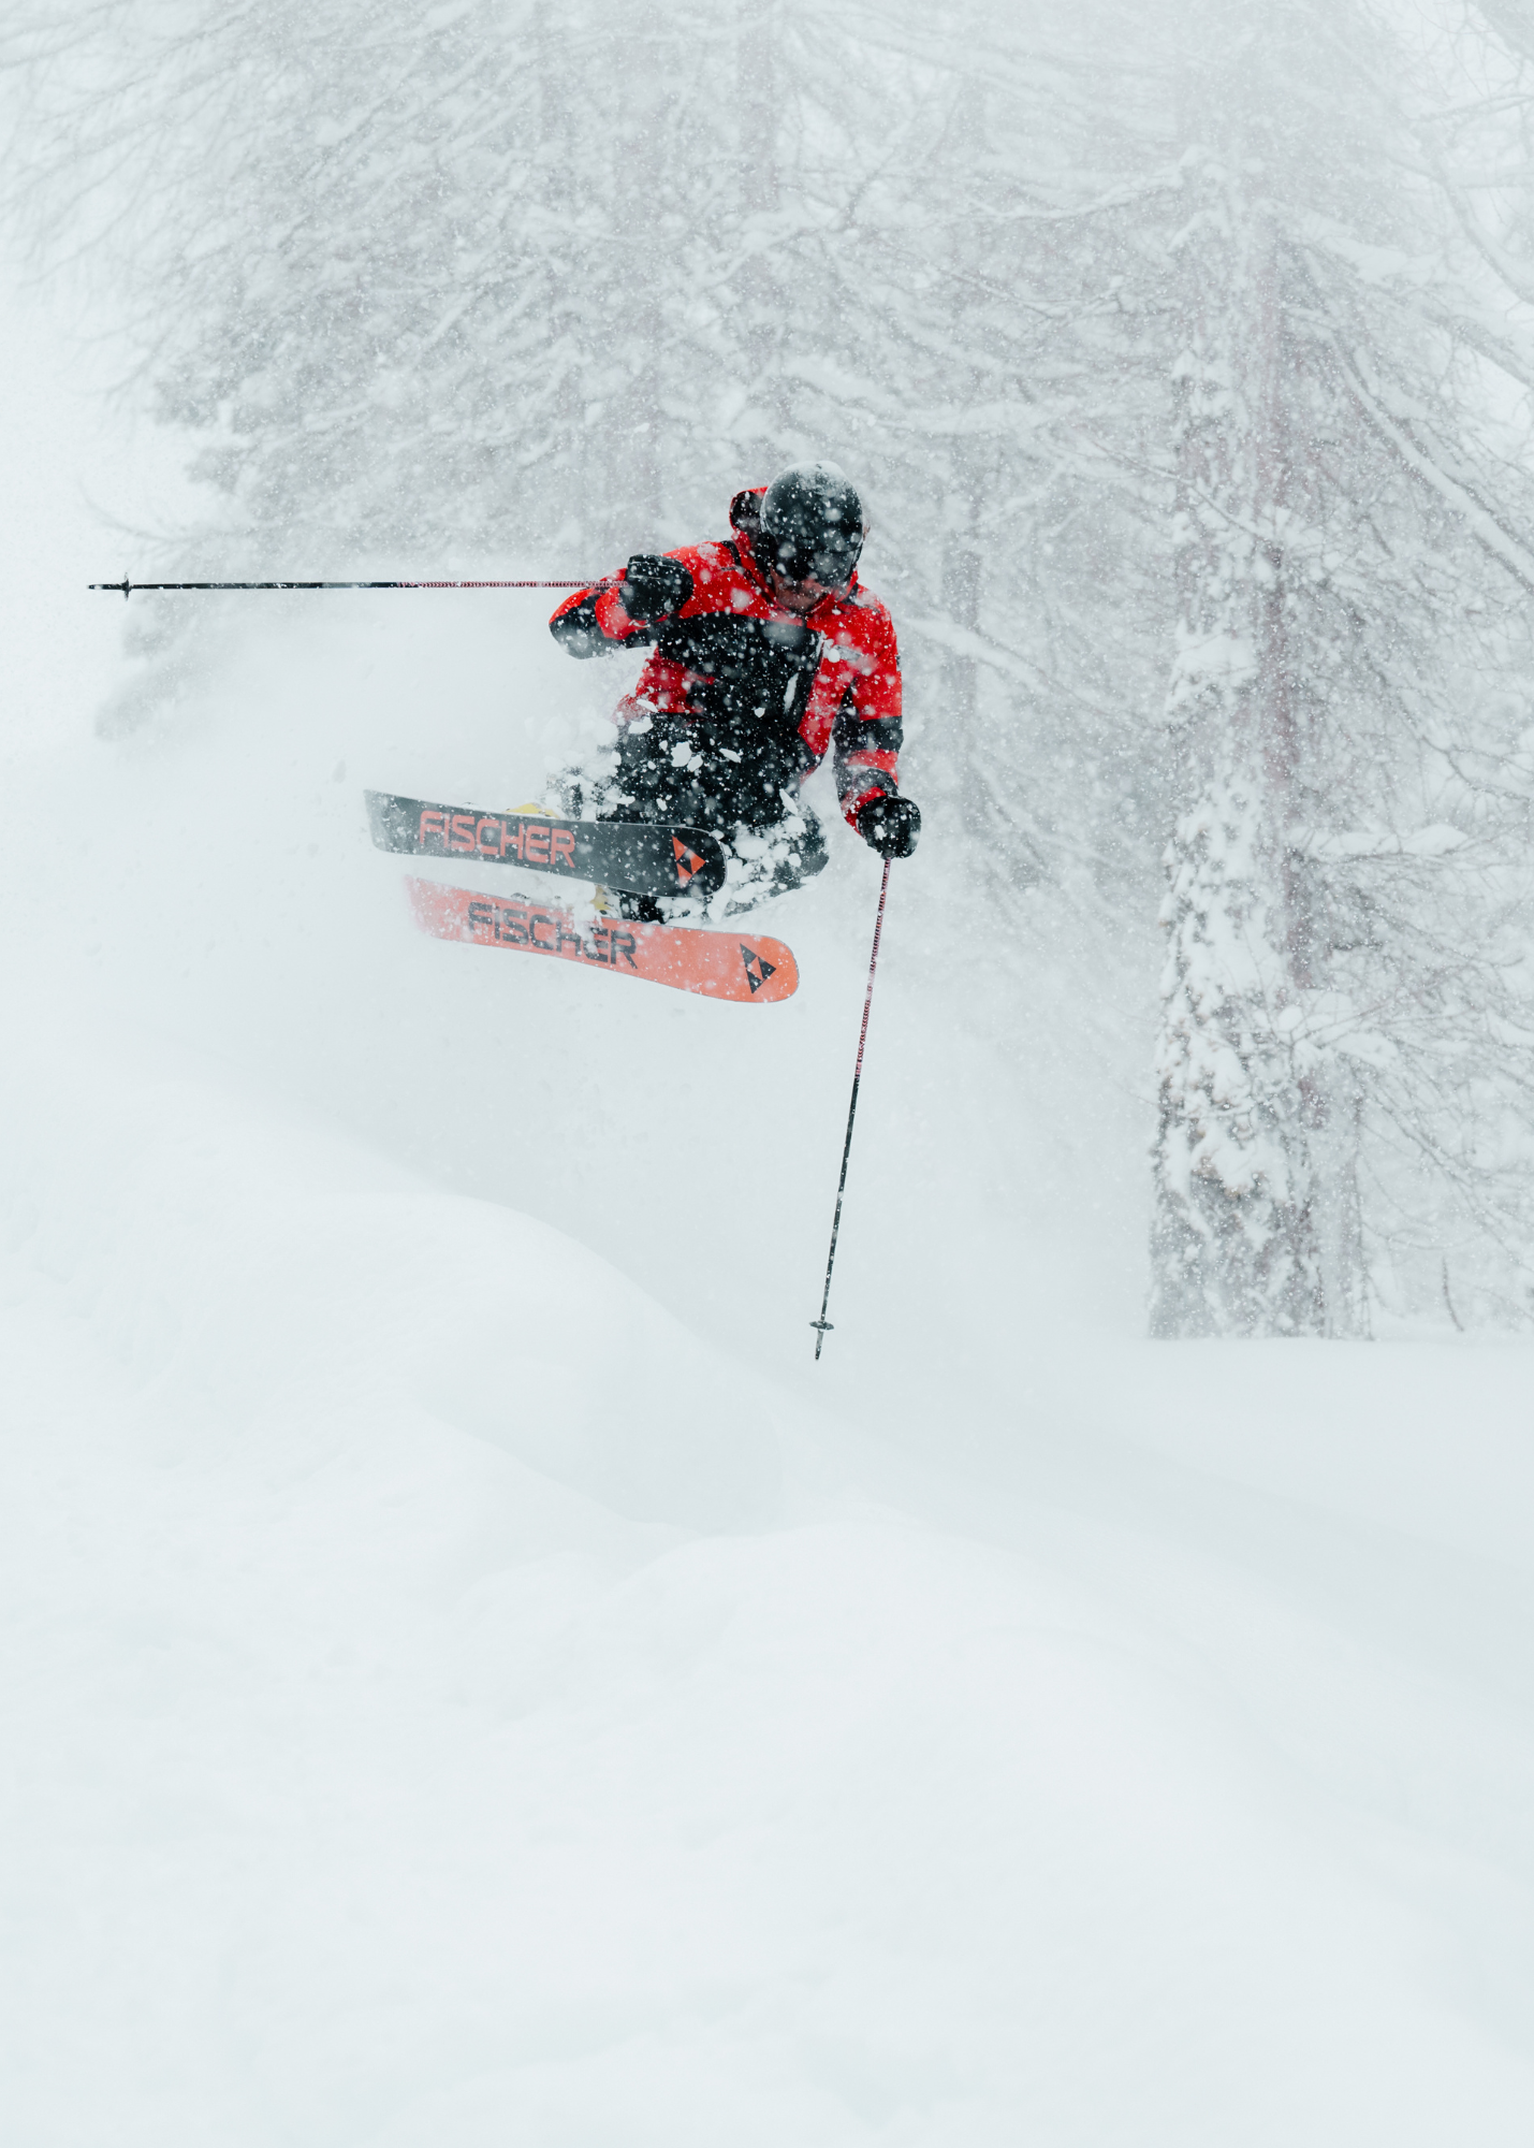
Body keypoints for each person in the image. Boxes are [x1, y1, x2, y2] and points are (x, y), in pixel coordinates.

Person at [548, 462, 920, 917]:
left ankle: (655, 914)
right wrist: (634, 601)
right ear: (768, 540)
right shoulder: (709, 574)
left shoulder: (865, 626)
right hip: (665, 744)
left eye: (831, 567)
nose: (810, 582)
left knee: (802, 851)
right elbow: (572, 628)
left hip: (764, 786)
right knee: (702, 767)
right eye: (797, 562)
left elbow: (870, 740)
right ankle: (574, 823)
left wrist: (874, 805)